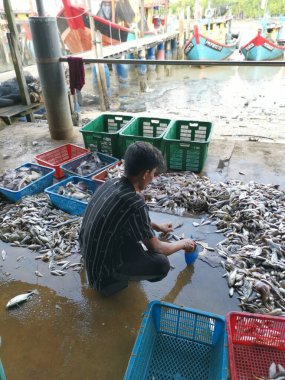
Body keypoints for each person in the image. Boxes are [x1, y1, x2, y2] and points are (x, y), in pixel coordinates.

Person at [79, 142, 196, 296]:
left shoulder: (110, 183)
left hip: (89, 256)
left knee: (137, 231)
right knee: (161, 265)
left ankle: (118, 272)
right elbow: (158, 248)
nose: (153, 178)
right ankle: (115, 280)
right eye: (153, 173)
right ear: (145, 174)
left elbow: (129, 217)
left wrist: (158, 227)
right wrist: (183, 243)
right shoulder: (134, 203)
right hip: (102, 277)